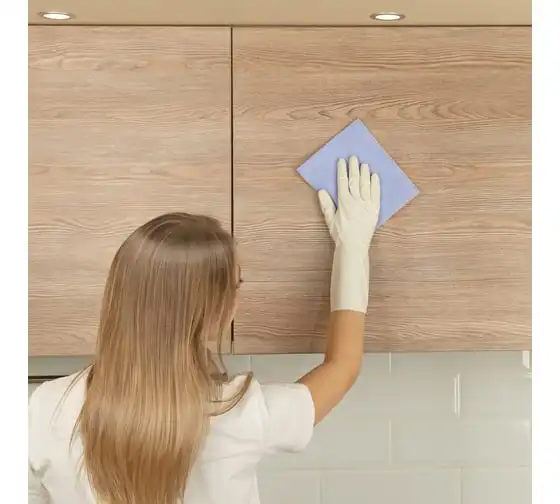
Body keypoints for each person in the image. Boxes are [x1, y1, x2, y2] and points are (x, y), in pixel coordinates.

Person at [28, 156, 380, 504]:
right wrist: (352, 248)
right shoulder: (236, 414)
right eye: (236, 285)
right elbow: (343, 365)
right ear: (212, 313)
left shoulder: (46, 407)